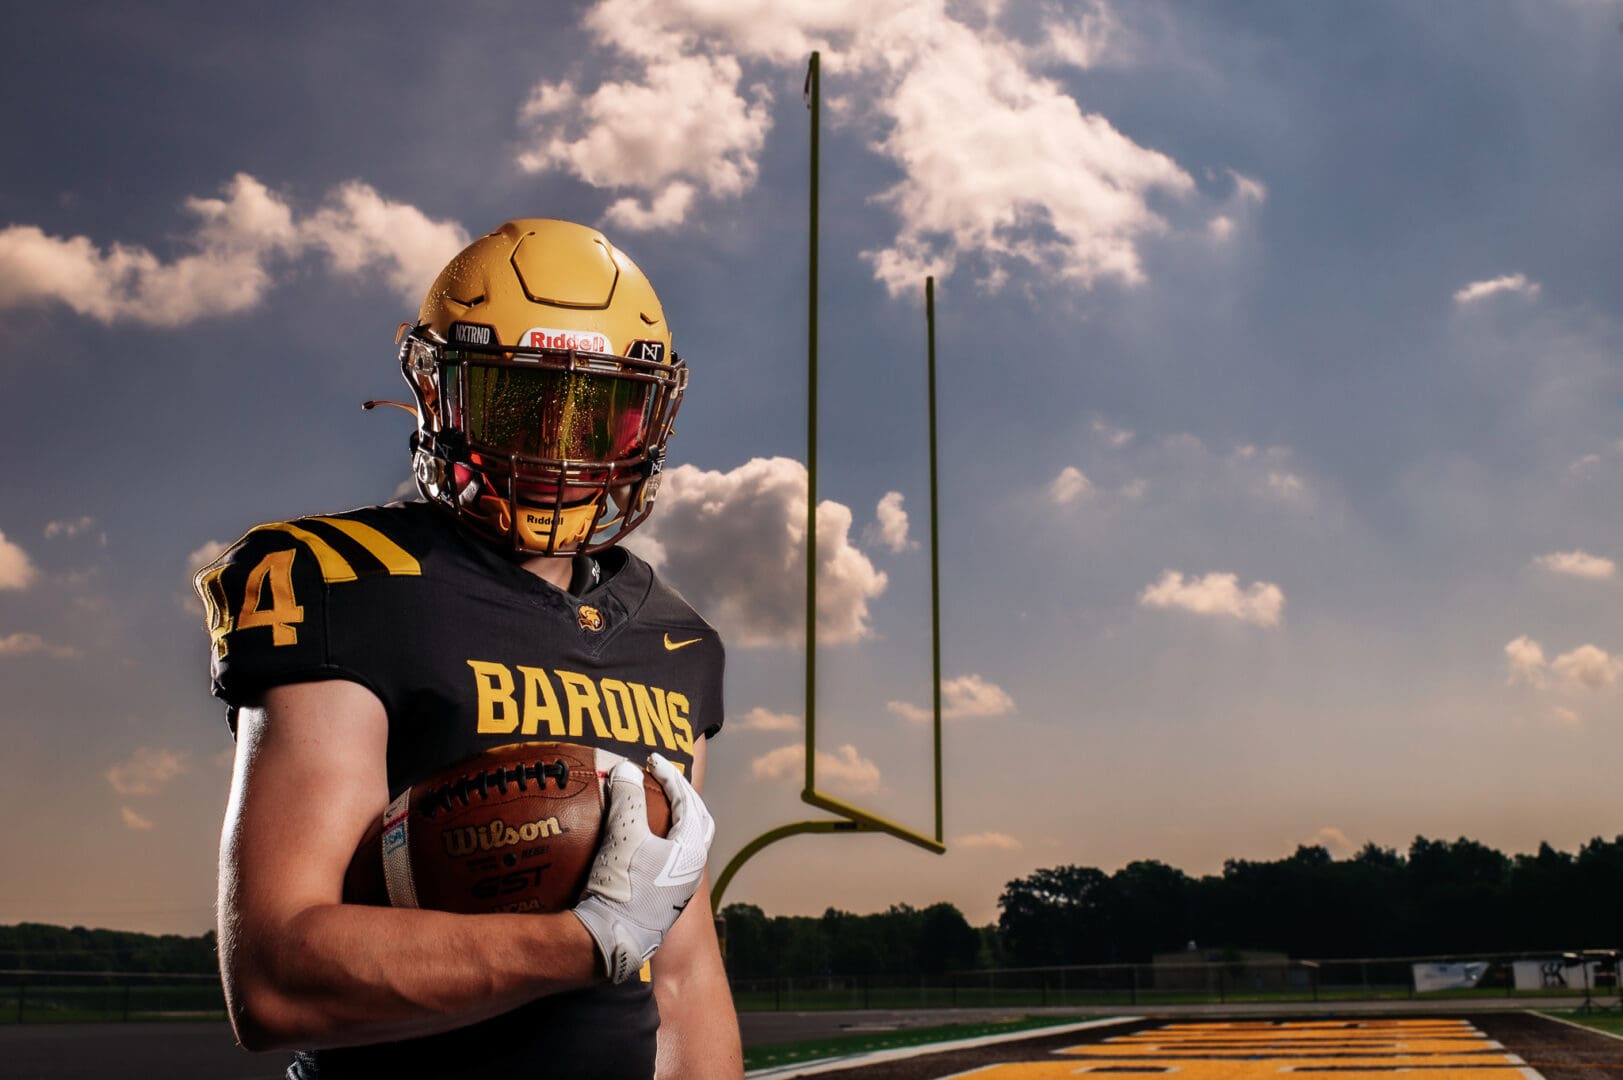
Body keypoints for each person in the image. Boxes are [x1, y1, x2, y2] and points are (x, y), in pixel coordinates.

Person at [194, 219, 743, 1079]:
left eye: (594, 411)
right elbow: (274, 980)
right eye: (518, 400)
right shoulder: (342, 583)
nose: (556, 444)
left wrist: (623, 946)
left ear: (646, 419)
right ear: (438, 391)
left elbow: (680, 975)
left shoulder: (675, 639)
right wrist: (581, 944)